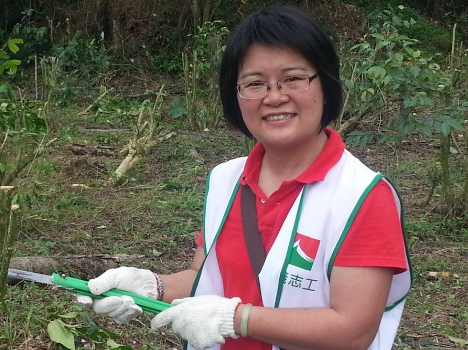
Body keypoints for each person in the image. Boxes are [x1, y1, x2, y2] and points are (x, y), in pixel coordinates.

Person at [77, 5, 411, 350]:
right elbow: (204, 279)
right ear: (234, 96)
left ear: (325, 84)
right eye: (254, 83)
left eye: (293, 78)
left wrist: (237, 318)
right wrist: (152, 287)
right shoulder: (225, 179)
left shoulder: (362, 195)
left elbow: (352, 331)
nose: (275, 96)